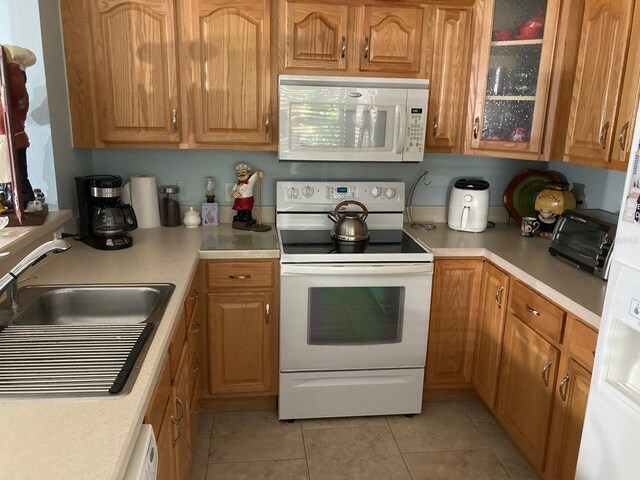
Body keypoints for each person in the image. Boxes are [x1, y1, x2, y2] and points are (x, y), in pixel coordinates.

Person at [0, 44, 36, 208]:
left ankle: (23, 204)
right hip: (9, 140)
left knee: (17, 178)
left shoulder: (14, 89)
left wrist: (11, 67)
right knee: (12, 177)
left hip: (10, 140)